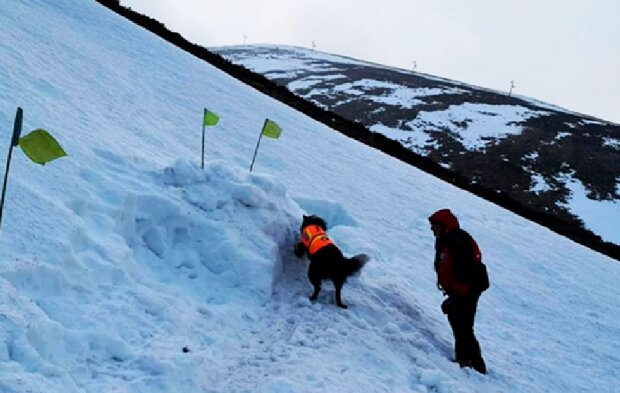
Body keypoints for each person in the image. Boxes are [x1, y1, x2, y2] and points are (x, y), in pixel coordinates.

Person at [429, 208, 489, 375]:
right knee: (458, 322)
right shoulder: (445, 239)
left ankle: (476, 365)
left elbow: (468, 272)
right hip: (458, 290)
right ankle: (464, 358)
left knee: (463, 326)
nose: (432, 230)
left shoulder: (459, 241)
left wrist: (457, 296)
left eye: (435, 226)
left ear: (444, 226)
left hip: (467, 291)